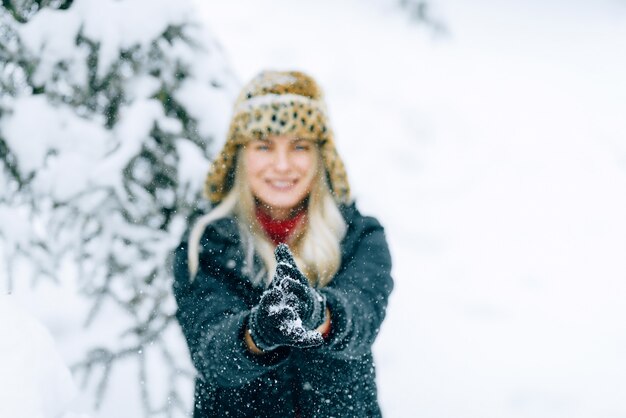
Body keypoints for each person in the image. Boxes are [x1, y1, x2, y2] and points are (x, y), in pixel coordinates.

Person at [172, 70, 394, 417]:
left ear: (320, 156)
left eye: (299, 146)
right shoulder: (205, 244)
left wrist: (320, 315)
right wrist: (255, 333)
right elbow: (211, 352)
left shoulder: (359, 236)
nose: (281, 164)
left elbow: (361, 317)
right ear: (240, 155)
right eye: (264, 145)